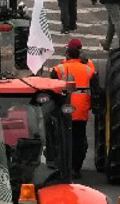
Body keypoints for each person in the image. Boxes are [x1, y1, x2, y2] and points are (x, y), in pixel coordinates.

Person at [50, 39, 97, 178]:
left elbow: (51, 86)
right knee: (79, 138)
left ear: (67, 55)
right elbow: (96, 86)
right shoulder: (89, 68)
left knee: (62, 138)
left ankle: (64, 166)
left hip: (64, 110)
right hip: (81, 110)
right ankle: (76, 168)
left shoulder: (60, 69)